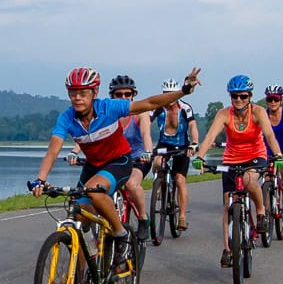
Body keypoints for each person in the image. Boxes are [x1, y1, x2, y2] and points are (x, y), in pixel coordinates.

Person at [30, 67, 202, 270]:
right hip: (93, 166)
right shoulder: (67, 118)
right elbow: (53, 150)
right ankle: (80, 281)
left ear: (94, 93)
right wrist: (40, 179)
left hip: (118, 162)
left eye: (83, 93)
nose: (77, 98)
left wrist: (183, 90)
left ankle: (120, 233)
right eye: (72, 93)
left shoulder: (109, 108)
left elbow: (150, 103)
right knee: (79, 219)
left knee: (95, 191)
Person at [192, 75, 283, 268]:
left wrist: (278, 154)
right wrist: (200, 157)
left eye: (243, 96)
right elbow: (210, 136)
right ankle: (227, 249)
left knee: (250, 180)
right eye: (235, 96)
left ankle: (260, 212)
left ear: (250, 96)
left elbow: (269, 135)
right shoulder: (224, 114)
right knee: (228, 204)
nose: (239, 100)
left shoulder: (258, 112)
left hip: (255, 155)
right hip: (231, 158)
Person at [150, 78, 199, 232]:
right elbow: (146, 122)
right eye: (166, 94)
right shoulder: (158, 107)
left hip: (182, 145)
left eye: (172, 93)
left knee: (180, 179)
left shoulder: (185, 108)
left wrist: (195, 143)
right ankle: (160, 183)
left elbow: (192, 126)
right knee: (157, 162)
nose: (169, 97)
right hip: (164, 143)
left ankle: (182, 217)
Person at [107, 75, 152, 229]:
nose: (123, 98)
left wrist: (148, 151)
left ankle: (143, 218)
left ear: (133, 95)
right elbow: (90, 134)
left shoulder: (140, 113)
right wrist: (75, 152)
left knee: (132, 185)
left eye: (128, 94)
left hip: (138, 159)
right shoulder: (108, 114)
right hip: (117, 159)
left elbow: (146, 134)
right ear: (112, 96)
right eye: (119, 95)